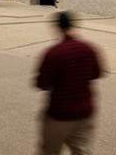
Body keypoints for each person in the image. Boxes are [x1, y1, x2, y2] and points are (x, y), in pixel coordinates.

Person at [34, 10, 103, 154]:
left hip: (60, 114)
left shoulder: (54, 53)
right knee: (81, 151)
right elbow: (97, 73)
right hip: (85, 112)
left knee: (49, 151)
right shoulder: (89, 49)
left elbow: (42, 83)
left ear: (58, 28)